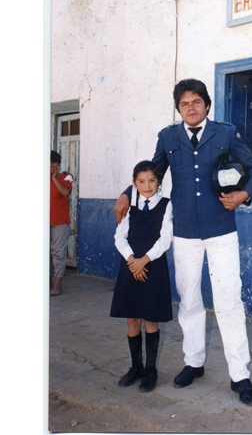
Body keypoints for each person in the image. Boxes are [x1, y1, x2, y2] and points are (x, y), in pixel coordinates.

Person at [114, 79, 252, 406]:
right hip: (183, 232)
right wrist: (127, 193)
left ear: (207, 105)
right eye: (184, 103)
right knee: (190, 300)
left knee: (228, 301)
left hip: (221, 229)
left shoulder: (225, 133)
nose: (191, 107)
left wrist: (244, 194)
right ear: (178, 108)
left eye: (197, 101)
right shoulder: (168, 137)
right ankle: (193, 363)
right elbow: (151, 173)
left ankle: (240, 376)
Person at [110, 160, 173, 393]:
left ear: (159, 182)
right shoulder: (131, 206)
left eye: (152, 181)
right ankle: (135, 367)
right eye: (141, 182)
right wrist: (131, 261)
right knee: (132, 319)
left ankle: (150, 370)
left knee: (150, 319)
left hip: (152, 267)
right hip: (130, 267)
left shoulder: (167, 205)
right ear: (134, 184)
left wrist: (143, 261)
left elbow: (165, 239)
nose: (147, 186)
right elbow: (119, 237)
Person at [50, 150, 73, 296]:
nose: (51, 165)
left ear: (58, 164)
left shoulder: (65, 178)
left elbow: (65, 193)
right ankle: (48, 282)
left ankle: (58, 284)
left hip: (60, 221)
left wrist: (54, 179)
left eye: (54, 162)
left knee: (58, 252)